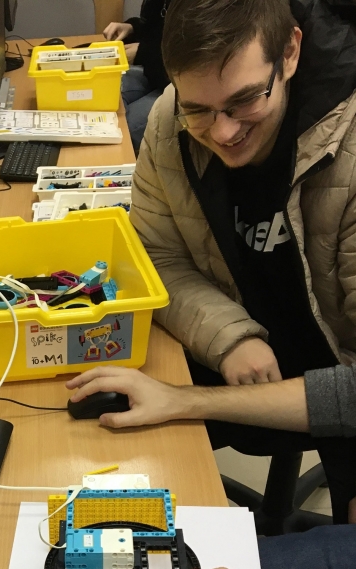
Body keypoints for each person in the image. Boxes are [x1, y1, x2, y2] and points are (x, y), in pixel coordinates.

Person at [64, 0, 356, 563]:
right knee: (91, 419)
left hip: (343, 375)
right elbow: (154, 255)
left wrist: (183, 401)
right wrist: (229, 336)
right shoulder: (172, 120)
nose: (222, 131)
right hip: (245, 348)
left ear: (290, 52)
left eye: (244, 100)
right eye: (199, 108)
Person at [103, 0, 171, 152]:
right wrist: (132, 28)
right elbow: (158, 30)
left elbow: (195, 57)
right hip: (156, 74)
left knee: (119, 129)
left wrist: (144, 53)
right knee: (103, 91)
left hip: (184, 86)